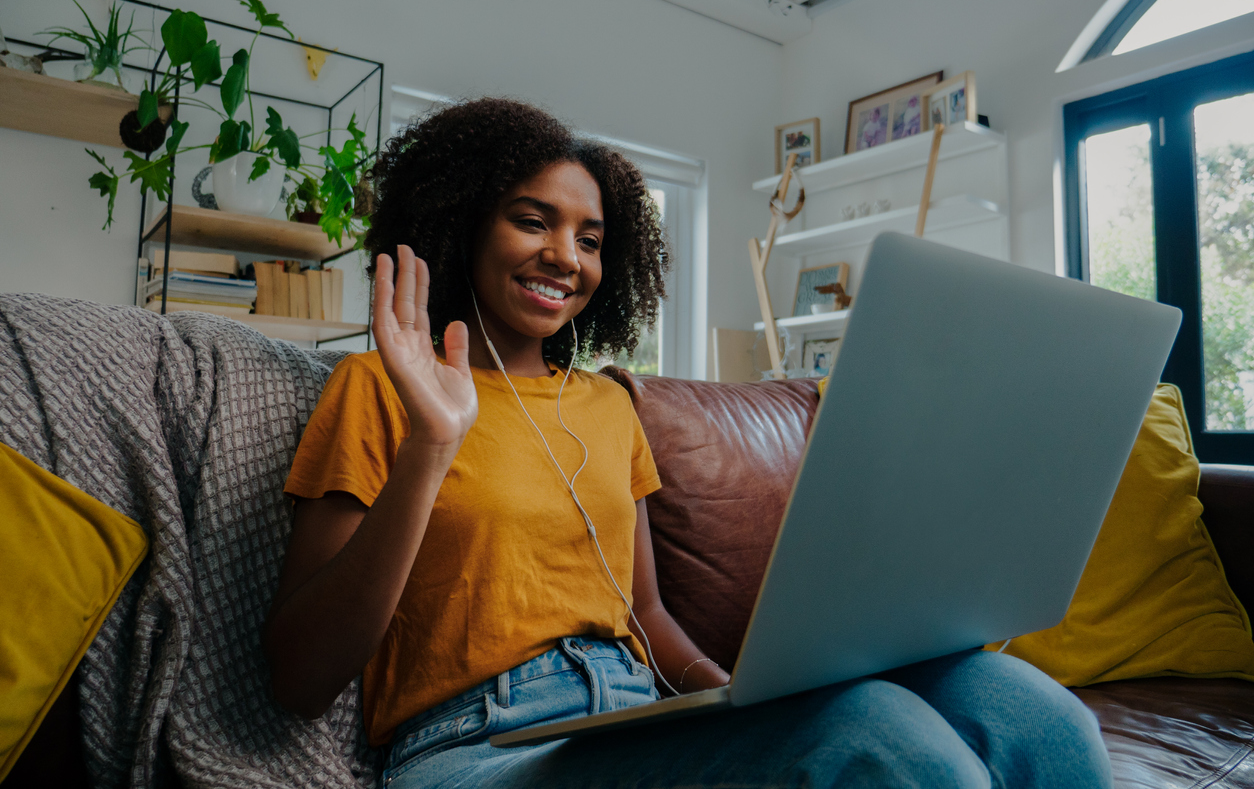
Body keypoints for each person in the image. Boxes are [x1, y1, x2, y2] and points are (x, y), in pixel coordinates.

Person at [263, 98, 1113, 789]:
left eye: (591, 238)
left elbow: (648, 615)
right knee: (876, 739)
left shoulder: (606, 405)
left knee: (1026, 709)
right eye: (533, 222)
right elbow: (299, 678)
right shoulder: (380, 390)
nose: (566, 256)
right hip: (478, 750)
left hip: (635, 718)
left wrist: (734, 695)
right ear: (464, 227)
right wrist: (432, 445)